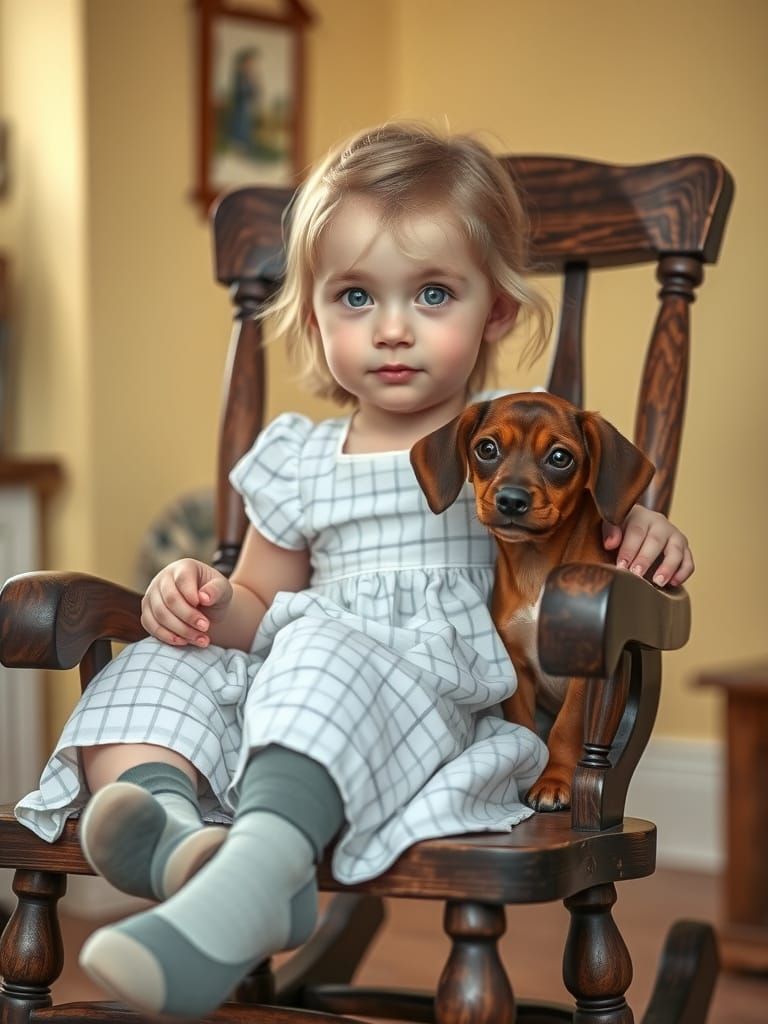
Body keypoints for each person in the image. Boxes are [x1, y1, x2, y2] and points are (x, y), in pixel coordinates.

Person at [16, 122, 693, 1018]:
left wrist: (645, 526)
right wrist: (201, 597)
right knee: (157, 664)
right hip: (293, 682)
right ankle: (185, 845)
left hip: (430, 708)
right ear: (313, 314)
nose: (394, 329)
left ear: (494, 312)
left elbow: (599, 507)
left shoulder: (503, 446)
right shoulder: (297, 457)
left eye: (434, 293)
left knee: (328, 649)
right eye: (356, 298)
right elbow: (260, 606)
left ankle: (248, 873)